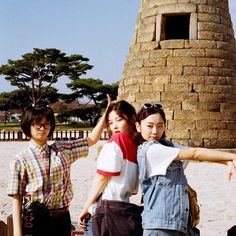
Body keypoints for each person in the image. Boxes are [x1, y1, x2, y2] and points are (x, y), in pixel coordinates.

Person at [7, 96, 112, 236]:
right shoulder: (20, 159)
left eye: (46, 124)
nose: (42, 128)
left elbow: (91, 140)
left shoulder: (62, 150)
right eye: (37, 124)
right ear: (28, 126)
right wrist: (17, 233)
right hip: (36, 221)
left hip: (62, 218)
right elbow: (17, 198)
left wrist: (106, 113)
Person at [135, 103, 236, 236]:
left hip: (181, 225)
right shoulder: (151, 150)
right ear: (138, 126)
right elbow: (195, 153)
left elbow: (200, 156)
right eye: (149, 126)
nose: (155, 131)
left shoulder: (168, 146)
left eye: (160, 126)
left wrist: (228, 162)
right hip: (160, 227)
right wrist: (233, 156)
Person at [78, 100, 143, 236]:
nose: (114, 126)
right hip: (123, 208)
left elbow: (102, 178)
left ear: (132, 119)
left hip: (105, 209)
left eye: (119, 120)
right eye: (111, 122)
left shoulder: (117, 140)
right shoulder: (137, 145)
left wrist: (86, 206)